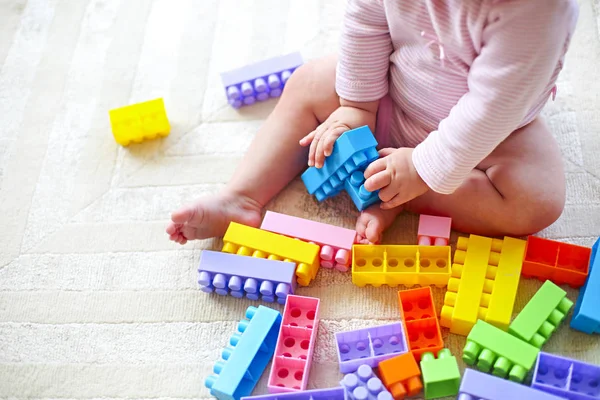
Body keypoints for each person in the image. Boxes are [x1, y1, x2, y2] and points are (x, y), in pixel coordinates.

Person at [167, 0, 578, 245]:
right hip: (392, 95)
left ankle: (399, 192)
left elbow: (493, 109)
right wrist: (356, 106)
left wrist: (421, 169)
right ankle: (241, 198)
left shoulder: (534, 14)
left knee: (536, 200)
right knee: (309, 81)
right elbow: (367, 18)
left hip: (493, 137)